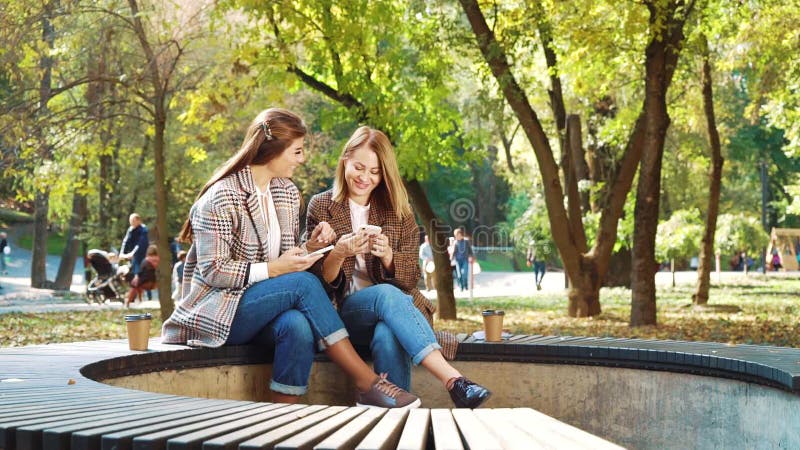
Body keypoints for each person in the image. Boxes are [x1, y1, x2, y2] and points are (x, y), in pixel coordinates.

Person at [161, 108, 420, 409]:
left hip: (269, 304)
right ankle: (367, 381)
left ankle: (286, 417)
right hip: (222, 309)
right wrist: (273, 269)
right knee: (301, 285)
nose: (301, 159)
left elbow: (286, 257)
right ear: (272, 150)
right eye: (296, 151)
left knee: (296, 325)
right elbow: (214, 271)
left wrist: (311, 247)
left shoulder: (285, 192)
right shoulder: (221, 197)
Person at [306, 126, 491, 409]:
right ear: (345, 160)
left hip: (393, 314)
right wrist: (339, 251)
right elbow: (317, 285)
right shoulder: (321, 206)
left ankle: (395, 415)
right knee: (385, 295)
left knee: (387, 334)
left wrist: (389, 256)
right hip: (342, 315)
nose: (365, 177)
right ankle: (454, 381)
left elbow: (411, 278)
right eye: (358, 167)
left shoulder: (398, 209)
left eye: (375, 171)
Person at [120, 213, 150, 299]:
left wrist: (133, 253)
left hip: (142, 255)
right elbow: (126, 241)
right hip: (133, 256)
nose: (131, 223)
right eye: (130, 221)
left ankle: (147, 296)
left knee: (141, 275)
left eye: (133, 220)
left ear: (139, 221)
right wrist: (122, 253)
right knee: (132, 274)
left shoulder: (144, 230)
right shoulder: (130, 229)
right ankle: (135, 296)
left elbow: (140, 244)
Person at [452, 227, 473, 292]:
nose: (458, 236)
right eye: (456, 235)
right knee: (459, 275)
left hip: (465, 260)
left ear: (461, 235)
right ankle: (461, 287)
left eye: (459, 235)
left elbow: (470, 250)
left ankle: (466, 285)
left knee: (465, 274)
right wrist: (451, 259)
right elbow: (453, 252)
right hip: (458, 260)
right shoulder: (455, 243)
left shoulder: (466, 241)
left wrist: (470, 256)